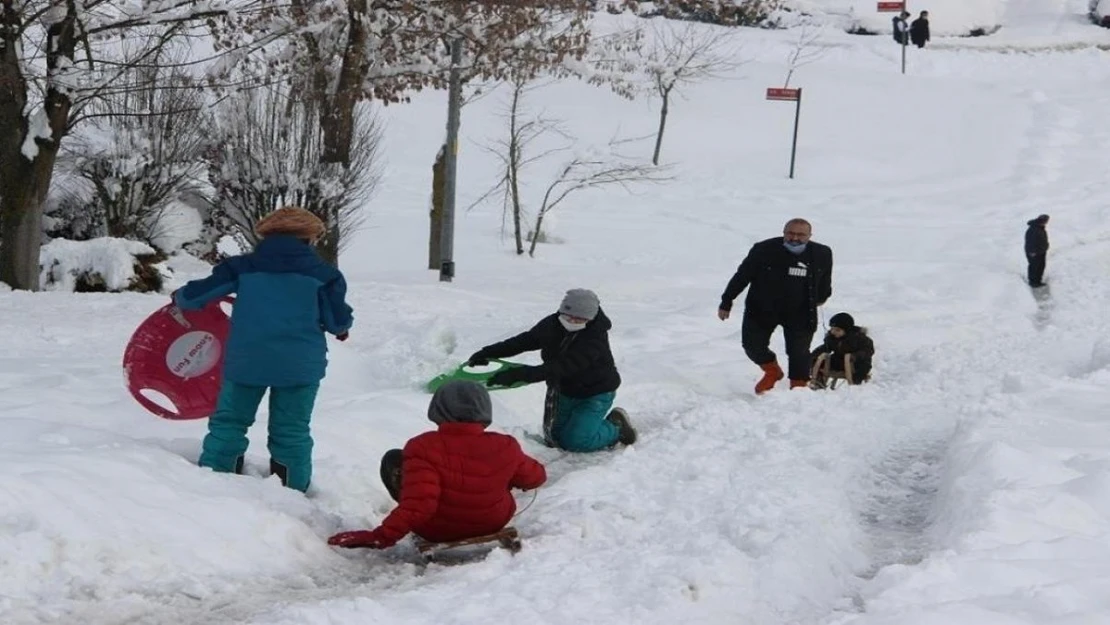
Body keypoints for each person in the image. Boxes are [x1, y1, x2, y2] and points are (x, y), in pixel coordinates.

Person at [173, 206, 354, 492]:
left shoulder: (243, 268)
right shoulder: (325, 276)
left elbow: (194, 297)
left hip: (247, 362)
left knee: (229, 423)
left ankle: (217, 483)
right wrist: (343, 326)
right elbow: (336, 321)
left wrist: (180, 297)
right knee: (291, 430)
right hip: (299, 366)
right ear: (308, 239)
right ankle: (292, 491)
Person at [327, 380, 547, 549]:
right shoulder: (504, 444)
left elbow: (420, 505)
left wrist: (379, 537)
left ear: (438, 409)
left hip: (438, 530)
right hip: (493, 521)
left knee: (395, 459)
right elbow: (536, 478)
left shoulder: (422, 447)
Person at [466, 289, 637, 452]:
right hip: (564, 391)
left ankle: (616, 427)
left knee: (576, 442)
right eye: (569, 316)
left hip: (595, 393)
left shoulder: (594, 339)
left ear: (590, 319)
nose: (572, 322)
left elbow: (561, 367)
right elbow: (524, 341)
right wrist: (487, 353)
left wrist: (520, 375)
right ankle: (588, 427)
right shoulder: (552, 324)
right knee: (556, 438)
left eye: (579, 320)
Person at [717, 218, 833, 394]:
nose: (795, 238)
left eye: (801, 235)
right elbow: (742, 276)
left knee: (798, 352)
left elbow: (824, 280)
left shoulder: (821, 253)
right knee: (752, 346)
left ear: (810, 236)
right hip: (762, 309)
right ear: (784, 232)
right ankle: (772, 371)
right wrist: (727, 301)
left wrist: (822, 297)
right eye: (790, 233)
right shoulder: (763, 250)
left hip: (801, 311)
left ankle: (798, 387)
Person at [809, 312, 874, 386]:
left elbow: (868, 350)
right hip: (840, 362)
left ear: (847, 330)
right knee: (819, 359)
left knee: (861, 365)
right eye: (832, 329)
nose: (833, 332)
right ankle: (819, 381)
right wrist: (813, 355)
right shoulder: (832, 338)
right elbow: (826, 348)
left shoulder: (858, 338)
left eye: (837, 330)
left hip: (856, 364)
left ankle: (856, 385)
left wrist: (855, 356)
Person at [1024, 214, 1050, 288]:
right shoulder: (1033, 229)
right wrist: (1032, 252)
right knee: (1034, 267)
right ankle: (1033, 282)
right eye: (1046, 220)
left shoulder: (1040, 227)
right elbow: (1030, 242)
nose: (1047, 222)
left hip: (1041, 251)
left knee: (1041, 266)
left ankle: (1038, 281)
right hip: (1034, 253)